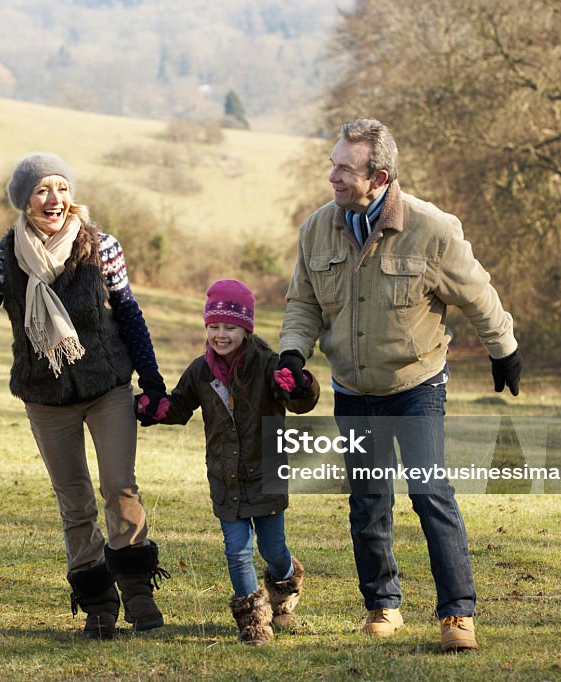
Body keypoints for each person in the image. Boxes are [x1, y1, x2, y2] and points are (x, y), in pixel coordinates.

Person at [277, 118, 522, 652]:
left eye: (344, 168)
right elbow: (304, 303)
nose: (332, 175)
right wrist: (294, 352)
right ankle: (382, 606)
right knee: (367, 500)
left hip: (416, 384)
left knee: (430, 493)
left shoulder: (432, 229)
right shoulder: (317, 228)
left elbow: (477, 293)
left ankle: (458, 615)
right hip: (352, 388)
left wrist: (505, 350)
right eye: (333, 163)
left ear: (379, 175)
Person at [0, 153, 170, 640]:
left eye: (60, 187)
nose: (53, 199)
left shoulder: (102, 247)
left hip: (107, 387)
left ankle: (138, 592)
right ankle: (98, 603)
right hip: (45, 394)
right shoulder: (5, 254)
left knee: (120, 487)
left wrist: (154, 381)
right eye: (42, 190)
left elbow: (129, 315)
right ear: (25, 200)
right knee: (74, 502)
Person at [139, 279, 319, 645]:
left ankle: (287, 581)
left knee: (272, 549)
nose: (221, 335)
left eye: (230, 327)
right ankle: (254, 623)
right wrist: (154, 409)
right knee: (237, 550)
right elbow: (179, 407)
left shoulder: (268, 365)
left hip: (266, 474)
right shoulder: (199, 372)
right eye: (214, 326)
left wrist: (300, 385)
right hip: (226, 478)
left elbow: (299, 402)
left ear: (246, 328)